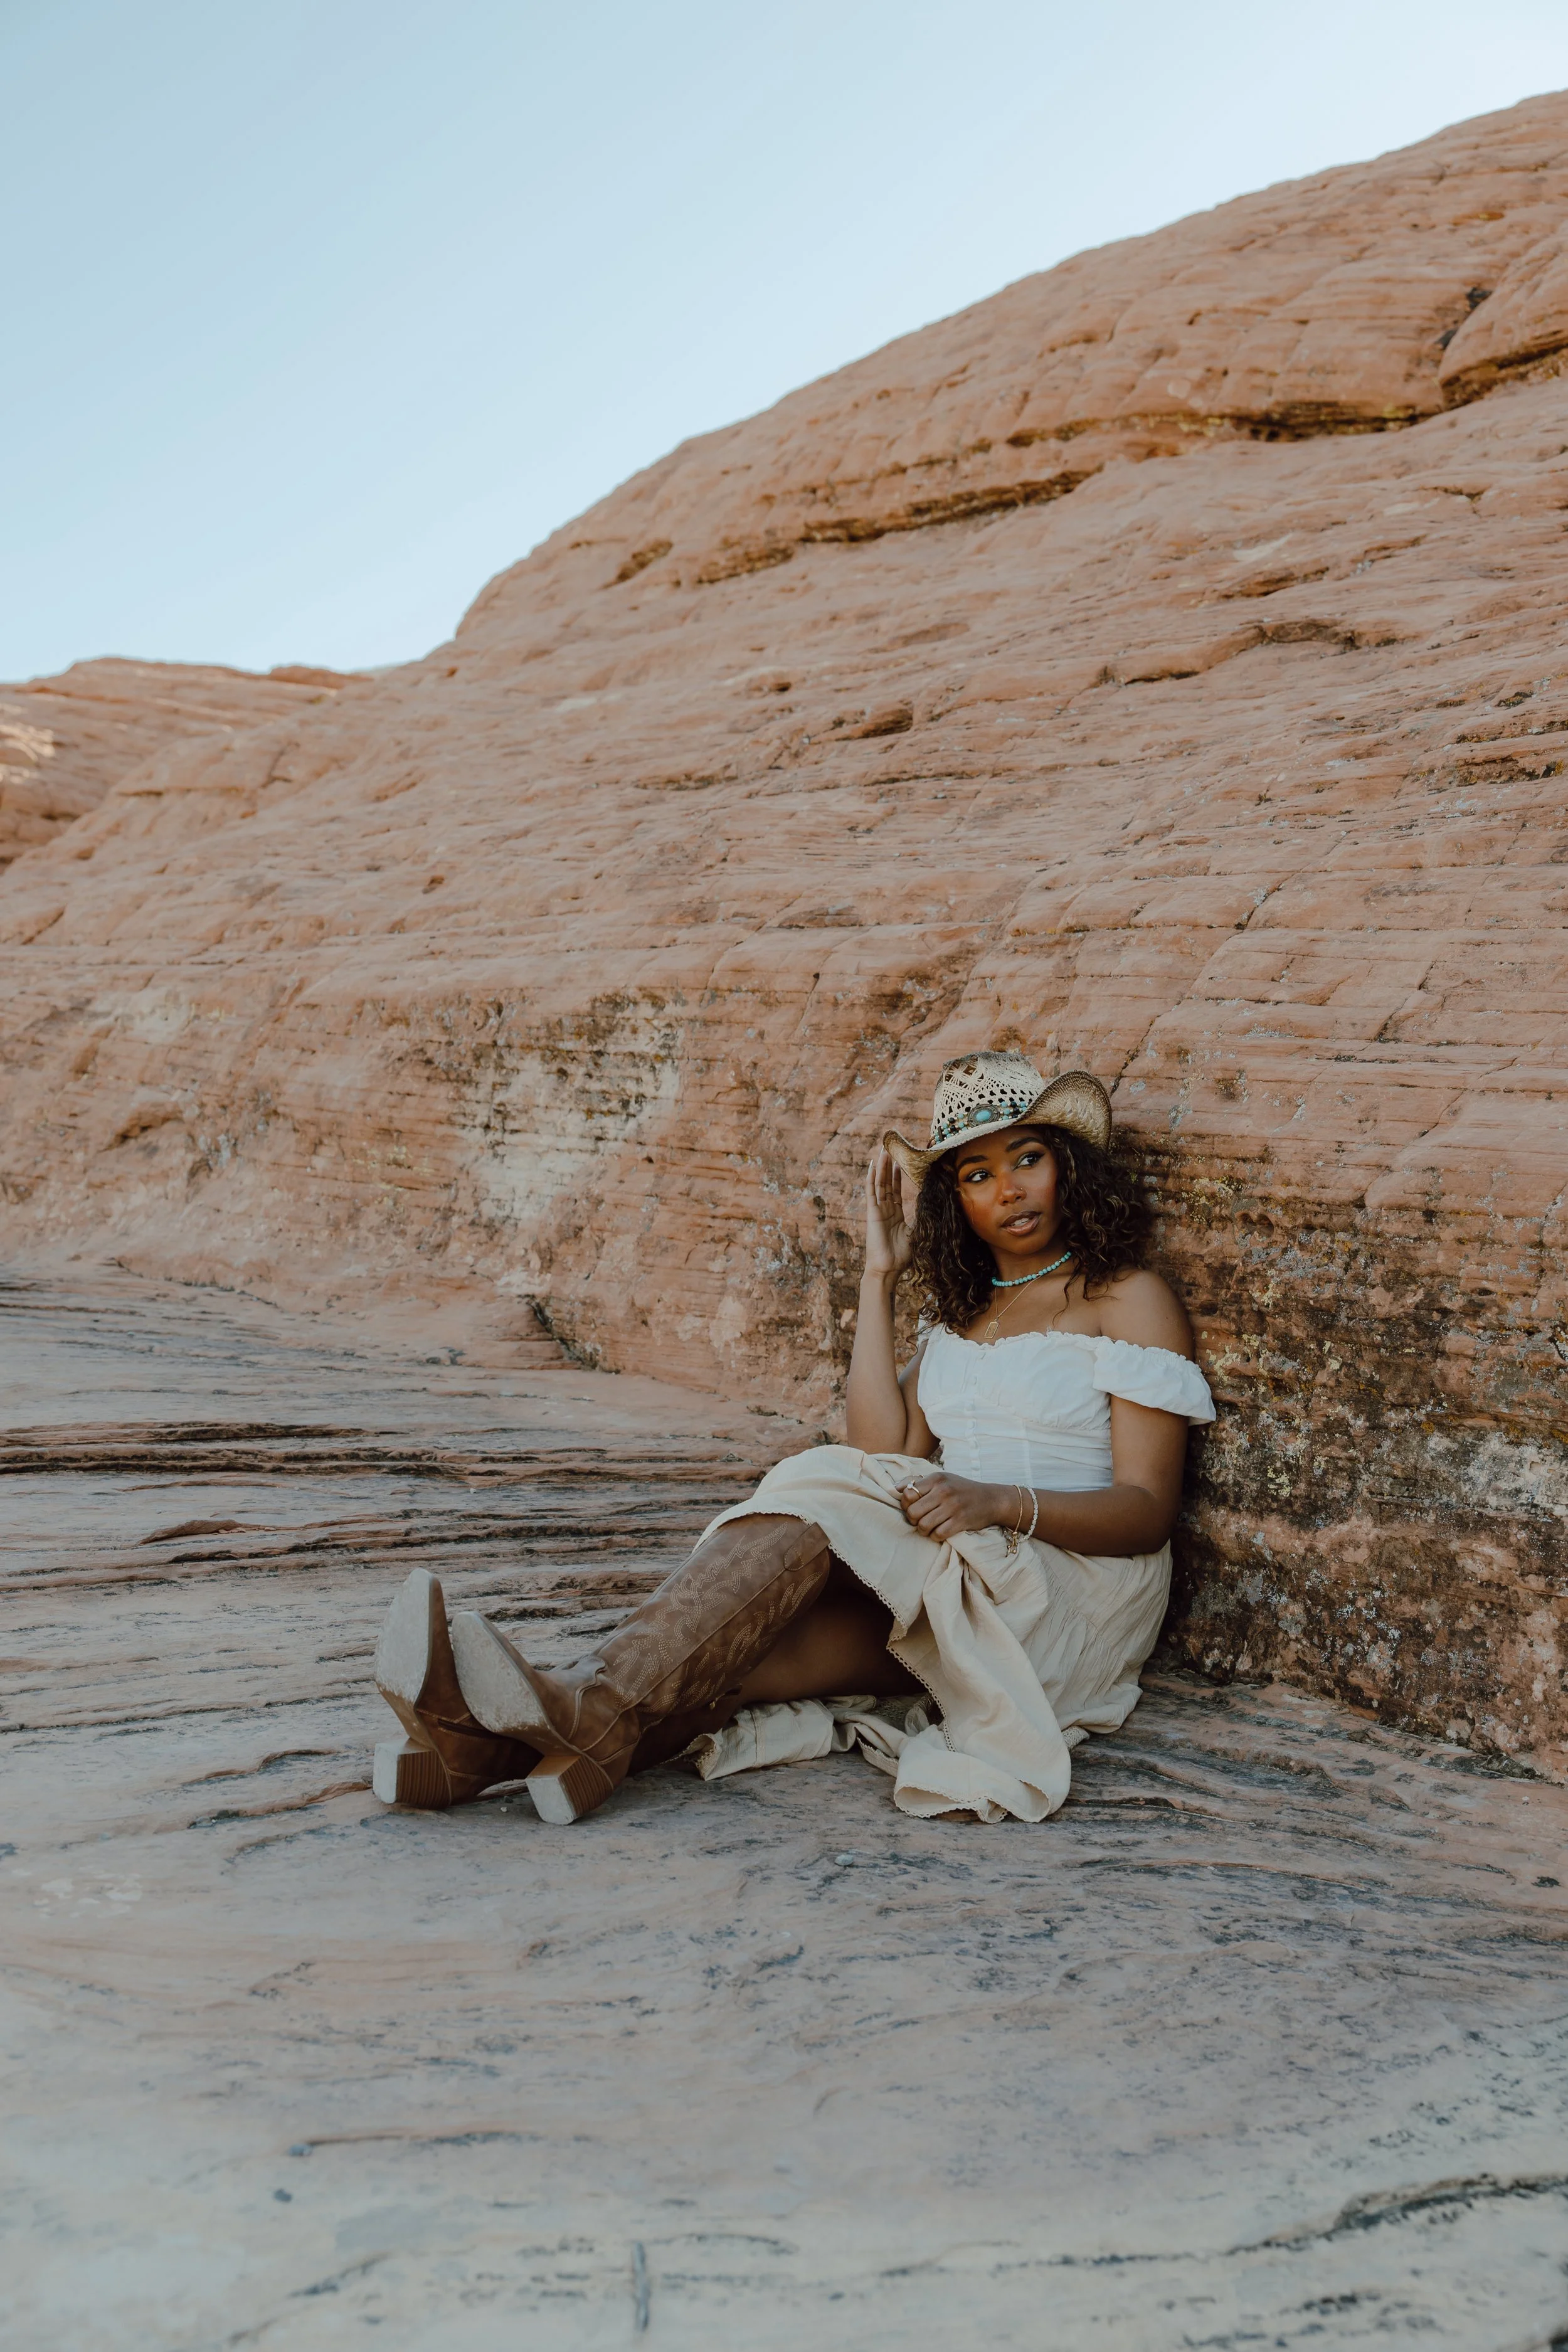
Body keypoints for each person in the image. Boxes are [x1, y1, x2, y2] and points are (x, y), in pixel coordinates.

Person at [371, 1052, 1215, 1825]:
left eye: (1028, 1158)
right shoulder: (964, 1320)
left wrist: (996, 1500)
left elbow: (1147, 1512)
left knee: (818, 1492)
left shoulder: (1124, 1297)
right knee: (738, 1655)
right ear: (956, 1200)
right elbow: (877, 1449)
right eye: (978, 1174)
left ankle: (546, 1716)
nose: (1010, 1190)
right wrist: (879, 1276)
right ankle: (495, 1751)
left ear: (1069, 1165)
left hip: (1066, 1592)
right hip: (960, 1572)